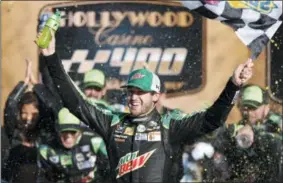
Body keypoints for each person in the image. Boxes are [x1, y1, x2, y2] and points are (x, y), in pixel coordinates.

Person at [39, 31, 253, 183]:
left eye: (140, 92)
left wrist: (233, 85)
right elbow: (74, 103)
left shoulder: (170, 126)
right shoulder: (113, 122)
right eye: (131, 91)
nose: (133, 97)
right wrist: (50, 57)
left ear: (156, 96)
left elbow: (212, 120)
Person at [38, 108, 110, 183]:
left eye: (73, 132)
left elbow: (108, 169)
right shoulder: (46, 149)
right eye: (64, 132)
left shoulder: (95, 142)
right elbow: (43, 178)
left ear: (79, 131)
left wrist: (96, 177)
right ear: (57, 130)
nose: (68, 137)